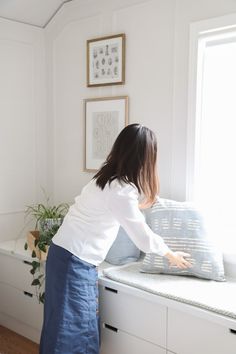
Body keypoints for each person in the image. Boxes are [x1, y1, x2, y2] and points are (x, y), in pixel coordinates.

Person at [39, 123, 191, 354]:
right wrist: (169, 253)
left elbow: (117, 211)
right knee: (72, 331)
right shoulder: (120, 189)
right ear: (145, 158)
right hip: (74, 261)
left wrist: (141, 204)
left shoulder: (104, 177)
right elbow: (141, 236)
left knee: (64, 326)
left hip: (64, 255)